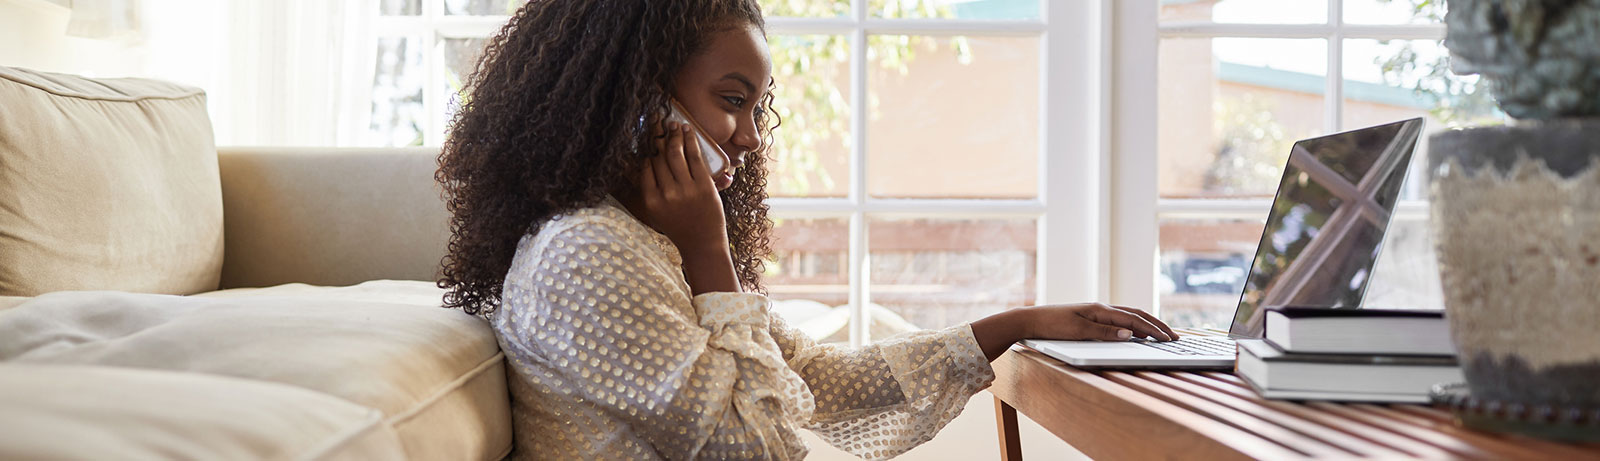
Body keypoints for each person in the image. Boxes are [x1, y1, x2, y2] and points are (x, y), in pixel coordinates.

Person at [435, 1, 1179, 459]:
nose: (753, 137)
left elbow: (815, 378)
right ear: (637, 97)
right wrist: (709, 257)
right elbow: (763, 450)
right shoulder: (587, 253)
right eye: (733, 100)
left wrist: (1011, 325)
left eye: (759, 108)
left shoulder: (638, 242)